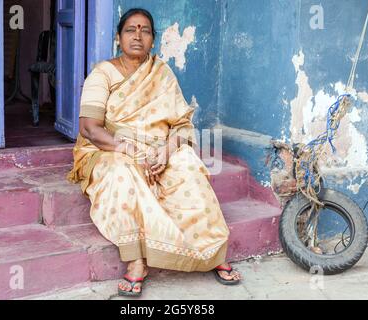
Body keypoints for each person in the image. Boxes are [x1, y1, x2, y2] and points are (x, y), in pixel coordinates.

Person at [67, 8, 241, 297]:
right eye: (130, 30)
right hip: (111, 147)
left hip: (157, 147)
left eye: (145, 30)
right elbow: (89, 128)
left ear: (153, 40)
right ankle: (136, 259)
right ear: (118, 38)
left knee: (188, 164)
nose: (137, 35)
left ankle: (210, 250)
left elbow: (182, 125)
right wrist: (130, 150)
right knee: (121, 172)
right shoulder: (103, 73)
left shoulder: (161, 73)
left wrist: (167, 151)